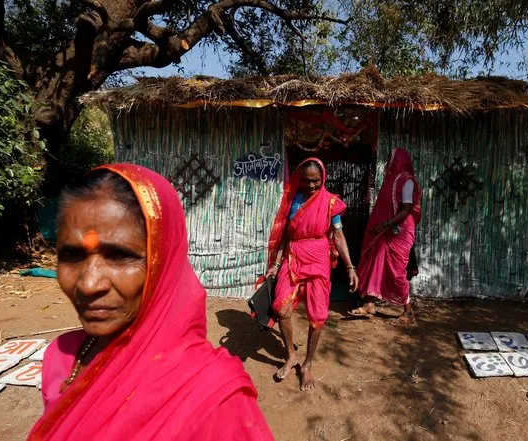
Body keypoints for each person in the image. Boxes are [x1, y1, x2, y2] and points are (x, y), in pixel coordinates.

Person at [28, 165, 274, 441]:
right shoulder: (61, 357)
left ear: (164, 261)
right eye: (72, 254)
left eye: (120, 256)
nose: (88, 284)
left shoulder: (213, 401)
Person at [265, 158, 358, 391]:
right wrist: (276, 263)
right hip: (293, 255)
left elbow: (338, 236)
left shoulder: (329, 202)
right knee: (281, 307)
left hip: (318, 258)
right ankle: (291, 356)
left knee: (317, 315)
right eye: (306, 181)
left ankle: (307, 364)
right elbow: (286, 234)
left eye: (316, 181)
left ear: (322, 178)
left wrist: (350, 267)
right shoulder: (293, 199)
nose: (311, 186)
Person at [351, 148, 422, 327]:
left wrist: (385, 225)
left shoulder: (406, 181)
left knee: (396, 271)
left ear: (399, 160)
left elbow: (406, 209)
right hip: (387, 230)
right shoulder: (391, 181)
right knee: (375, 262)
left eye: (391, 158)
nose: (389, 161)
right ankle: (369, 304)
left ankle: (409, 312)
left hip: (399, 231)